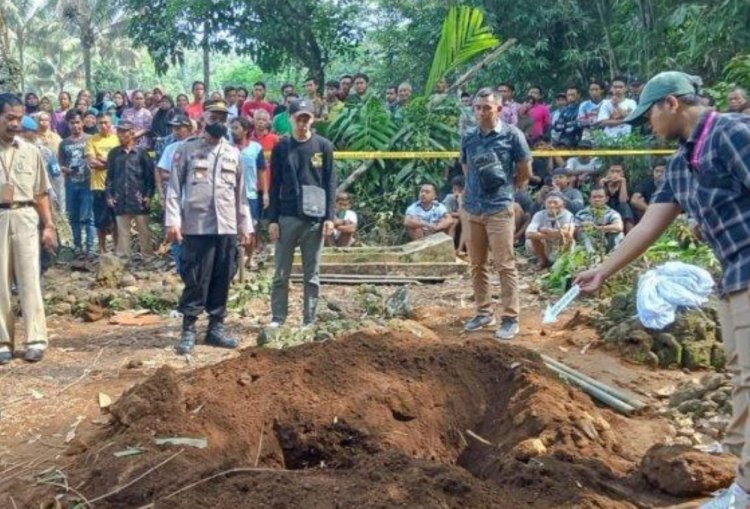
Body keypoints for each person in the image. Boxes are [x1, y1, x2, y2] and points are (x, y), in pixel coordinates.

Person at [574, 70, 750, 509]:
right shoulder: (679, 162)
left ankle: (745, 491)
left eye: (648, 115)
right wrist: (603, 269)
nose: (646, 125)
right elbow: (651, 223)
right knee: (739, 371)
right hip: (732, 275)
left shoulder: (731, 134)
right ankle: (737, 456)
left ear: (671, 103)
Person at [165, 99, 253, 354]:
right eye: (213, 117)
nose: (218, 122)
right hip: (196, 225)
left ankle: (215, 327)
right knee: (195, 277)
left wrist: (245, 225)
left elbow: (241, 194)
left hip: (225, 226)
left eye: (223, 118)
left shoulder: (233, 153)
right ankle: (189, 329)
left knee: (222, 276)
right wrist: (173, 221)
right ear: (203, 118)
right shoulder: (187, 149)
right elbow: (173, 188)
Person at [461, 88, 531, 339]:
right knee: (476, 264)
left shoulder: (513, 136)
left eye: (486, 108)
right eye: (478, 107)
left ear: (498, 109)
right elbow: (466, 166)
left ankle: (510, 317)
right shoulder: (468, 137)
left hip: (499, 207)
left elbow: (524, 171)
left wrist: (507, 190)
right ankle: (483, 312)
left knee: (504, 264)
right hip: (472, 208)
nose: (481, 112)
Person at [267, 99, 336, 327]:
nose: (303, 123)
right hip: (287, 217)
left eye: (307, 118)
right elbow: (273, 184)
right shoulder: (281, 147)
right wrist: (273, 220)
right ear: (291, 119)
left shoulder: (323, 146)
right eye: (299, 118)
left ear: (312, 119)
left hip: (314, 219)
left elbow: (330, 184)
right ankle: (278, 317)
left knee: (312, 275)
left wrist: (329, 218)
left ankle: (309, 319)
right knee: (280, 273)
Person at [0, 93, 57, 364]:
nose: (14, 124)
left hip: (24, 216)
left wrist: (49, 226)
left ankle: (35, 339)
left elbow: (41, 193)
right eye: (9, 118)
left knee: (29, 279)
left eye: (18, 119)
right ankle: (3, 341)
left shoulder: (31, 151)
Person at [105, 120, 154, 258]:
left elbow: (149, 177)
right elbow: (109, 177)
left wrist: (149, 195)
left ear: (132, 133)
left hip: (139, 197)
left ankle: (148, 257)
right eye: (119, 132)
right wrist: (109, 195)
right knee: (122, 230)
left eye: (124, 132)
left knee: (144, 229)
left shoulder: (141, 153)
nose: (120, 135)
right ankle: (123, 258)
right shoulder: (114, 153)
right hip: (120, 197)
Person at [59, 110, 94, 255]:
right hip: (71, 184)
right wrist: (67, 170)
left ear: (83, 123)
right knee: (73, 216)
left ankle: (91, 247)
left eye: (78, 122)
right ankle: (78, 245)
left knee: (88, 217)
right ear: (68, 124)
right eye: (72, 123)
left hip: (88, 183)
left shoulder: (90, 139)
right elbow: (60, 164)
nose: (75, 126)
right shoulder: (64, 143)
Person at [85, 112, 120, 253]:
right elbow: (92, 163)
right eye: (100, 123)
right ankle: (101, 249)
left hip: (115, 185)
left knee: (116, 219)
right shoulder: (92, 140)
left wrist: (104, 160)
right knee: (100, 220)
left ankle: (118, 249)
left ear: (110, 123)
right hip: (98, 185)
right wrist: (109, 161)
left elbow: (119, 162)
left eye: (106, 122)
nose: (103, 125)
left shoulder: (117, 140)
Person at [230, 116, 266, 233]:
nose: (233, 131)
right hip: (230, 195)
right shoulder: (226, 147)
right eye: (231, 128)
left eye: (236, 128)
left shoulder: (256, 148)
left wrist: (265, 193)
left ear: (245, 130)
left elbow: (261, 171)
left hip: (250, 194)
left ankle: (250, 251)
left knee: (251, 228)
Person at [525, 191, 575, 270]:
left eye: (555, 203)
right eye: (549, 203)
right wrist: (550, 235)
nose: (552, 205)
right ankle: (542, 260)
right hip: (546, 245)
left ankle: (562, 261)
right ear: (545, 204)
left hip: (560, 246)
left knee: (568, 238)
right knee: (530, 240)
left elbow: (568, 233)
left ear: (563, 205)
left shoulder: (568, 215)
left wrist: (546, 230)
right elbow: (529, 233)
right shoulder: (539, 215)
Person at [575, 186, 624, 253]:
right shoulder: (581, 213)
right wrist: (581, 226)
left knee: (618, 234)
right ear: (590, 199)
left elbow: (619, 227)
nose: (597, 199)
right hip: (589, 243)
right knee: (583, 233)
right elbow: (574, 232)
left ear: (606, 199)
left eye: (600, 197)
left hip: (607, 241)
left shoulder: (612, 213)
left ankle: (618, 256)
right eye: (594, 197)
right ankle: (592, 257)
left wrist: (597, 228)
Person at [601, 163, 635, 233]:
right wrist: (602, 185)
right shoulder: (603, 183)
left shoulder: (625, 184)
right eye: (612, 171)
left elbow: (623, 201)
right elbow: (600, 201)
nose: (615, 174)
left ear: (622, 173)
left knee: (625, 207)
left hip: (622, 211)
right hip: (606, 209)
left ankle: (631, 234)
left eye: (618, 171)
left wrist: (623, 182)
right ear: (607, 173)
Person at [443, 175, 466, 253]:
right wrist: (460, 214)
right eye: (455, 189)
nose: (456, 192)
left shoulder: (468, 199)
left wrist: (460, 201)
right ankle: (450, 248)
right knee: (454, 222)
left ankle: (460, 248)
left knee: (466, 224)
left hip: (463, 219)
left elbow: (465, 214)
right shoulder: (449, 198)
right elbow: (447, 212)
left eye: (460, 190)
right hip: (451, 218)